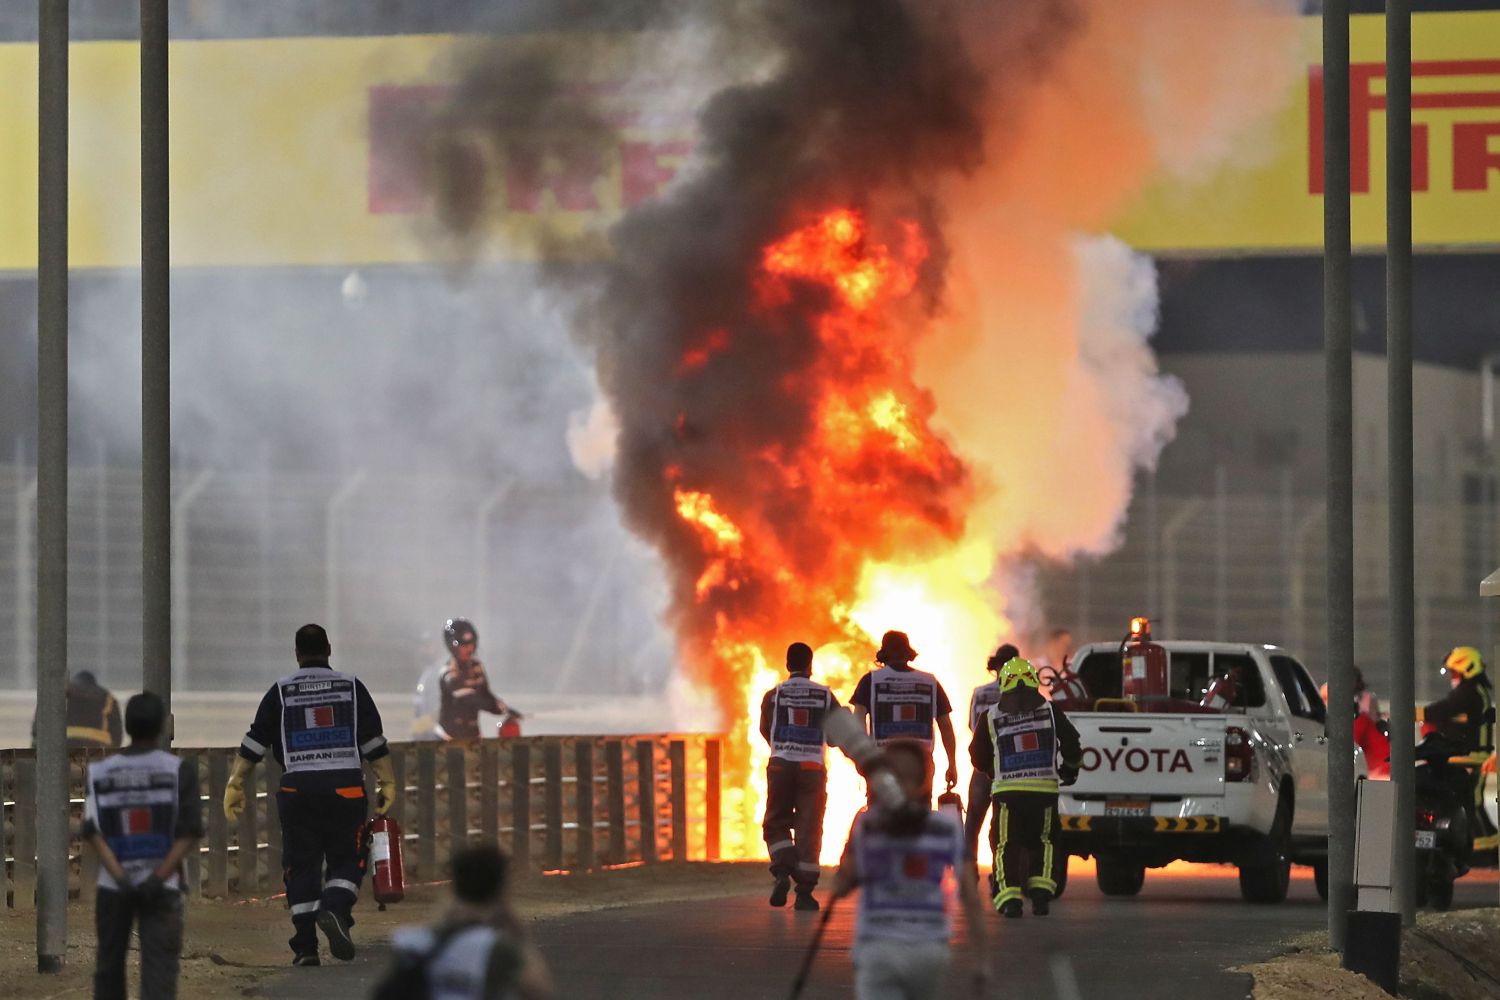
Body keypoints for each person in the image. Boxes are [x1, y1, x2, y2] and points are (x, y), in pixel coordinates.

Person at [226, 623, 396, 965]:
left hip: (297, 790)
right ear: (329, 649)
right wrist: (387, 782)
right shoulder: (351, 686)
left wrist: (235, 783)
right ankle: (334, 909)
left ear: (296, 653)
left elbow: (255, 741)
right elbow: (373, 742)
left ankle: (305, 948)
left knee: (301, 866)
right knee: (347, 859)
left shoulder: (281, 690)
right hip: (345, 789)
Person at [831, 739, 989, 1000]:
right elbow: (970, 897)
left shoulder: (867, 824)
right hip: (928, 950)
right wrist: (982, 961)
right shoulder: (947, 828)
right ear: (924, 783)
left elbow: (843, 882)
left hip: (877, 947)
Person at [82, 691, 202, 1000]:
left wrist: (122, 878)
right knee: (160, 969)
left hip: (113, 887)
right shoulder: (179, 771)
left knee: (108, 967)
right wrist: (157, 877)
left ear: (129, 727)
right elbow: (188, 833)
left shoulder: (100, 772)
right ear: (162, 726)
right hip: (162, 887)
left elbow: (93, 832)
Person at [968, 657, 1083, 917]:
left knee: (1006, 843)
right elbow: (1072, 743)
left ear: (1003, 684)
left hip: (1007, 794)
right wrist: (1070, 770)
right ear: (1033, 681)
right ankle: (1041, 895)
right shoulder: (1050, 711)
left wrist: (992, 771)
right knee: (1044, 841)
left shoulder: (990, 715)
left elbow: (976, 756)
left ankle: (1009, 901)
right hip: (1044, 791)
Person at [373, 841, 554, 1000]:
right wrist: (519, 933)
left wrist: (441, 918)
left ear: (453, 889)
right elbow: (539, 990)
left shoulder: (413, 942)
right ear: (501, 891)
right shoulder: (496, 948)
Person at [758, 641, 838, 911]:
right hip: (812, 770)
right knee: (809, 828)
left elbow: (765, 730)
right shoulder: (825, 696)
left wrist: (784, 747)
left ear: (787, 665)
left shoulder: (773, 695)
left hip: (780, 766)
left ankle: (782, 871)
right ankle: (804, 893)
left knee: (775, 822)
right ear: (810, 665)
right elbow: (838, 737)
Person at [850, 631, 958, 794]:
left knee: (881, 815)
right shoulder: (930, 681)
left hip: (882, 760)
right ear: (908, 653)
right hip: (921, 762)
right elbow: (946, 726)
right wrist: (952, 763)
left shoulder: (870, 681)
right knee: (918, 815)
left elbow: (857, 721)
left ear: (884, 654)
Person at [1422, 645, 1496, 848]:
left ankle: (1482, 850)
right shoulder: (1476, 692)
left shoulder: (1468, 692)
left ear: (1467, 669)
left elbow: (1440, 710)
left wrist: (1417, 714)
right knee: (1472, 802)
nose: (1452, 677)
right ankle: (1484, 847)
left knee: (1471, 803)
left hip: (1470, 757)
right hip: (1471, 756)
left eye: (1454, 672)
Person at [963, 643, 1018, 866]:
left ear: (994, 666)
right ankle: (1000, 872)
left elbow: (972, 726)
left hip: (982, 767)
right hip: (1012, 767)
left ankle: (968, 870)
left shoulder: (980, 693)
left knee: (973, 823)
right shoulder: (1024, 696)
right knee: (1004, 825)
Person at [437, 618, 512, 740]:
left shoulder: (477, 667)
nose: (469, 649)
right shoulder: (448, 671)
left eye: (471, 644)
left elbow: (485, 693)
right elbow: (469, 698)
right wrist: (495, 707)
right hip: (449, 738)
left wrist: (503, 706)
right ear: (452, 646)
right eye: (463, 645)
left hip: (473, 735)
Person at [32, 670, 123, 749]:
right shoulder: (108, 698)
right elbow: (117, 734)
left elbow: (37, 729)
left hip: (61, 745)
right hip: (97, 748)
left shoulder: (56, 693)